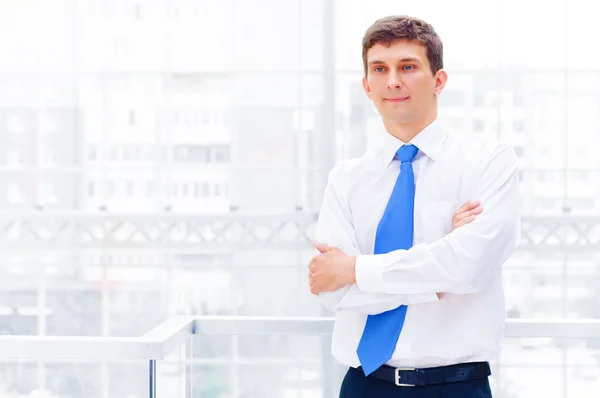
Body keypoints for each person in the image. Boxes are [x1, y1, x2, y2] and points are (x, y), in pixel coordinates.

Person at [307, 15, 521, 398]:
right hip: (363, 385)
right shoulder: (346, 180)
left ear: (438, 80)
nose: (393, 81)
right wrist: (438, 275)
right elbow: (333, 292)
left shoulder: (487, 162)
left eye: (407, 67)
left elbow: (470, 267)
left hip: (457, 387)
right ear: (366, 85)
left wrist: (355, 269)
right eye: (380, 69)